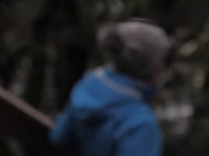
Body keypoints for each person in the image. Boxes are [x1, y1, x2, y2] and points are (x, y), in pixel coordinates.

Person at [49, 19, 172, 156]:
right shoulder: (140, 124)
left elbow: (59, 137)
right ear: (150, 65)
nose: (163, 66)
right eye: (162, 60)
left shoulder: (89, 84)